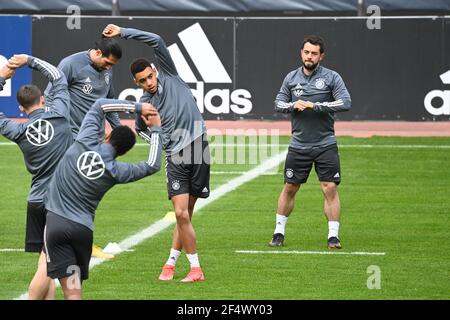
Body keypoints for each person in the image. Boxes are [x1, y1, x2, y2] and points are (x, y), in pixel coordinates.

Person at [102, 24, 210, 282]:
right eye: (142, 81)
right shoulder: (145, 105)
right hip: (175, 155)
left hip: (198, 146)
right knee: (181, 213)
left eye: (150, 76)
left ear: (155, 71)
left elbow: (157, 38)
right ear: (136, 82)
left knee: (187, 214)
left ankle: (170, 263)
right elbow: (140, 130)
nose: (149, 83)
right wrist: (157, 140)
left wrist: (123, 32)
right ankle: (196, 269)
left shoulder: (171, 75)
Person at [43, 98, 162, 300]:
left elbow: (99, 105)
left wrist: (137, 107)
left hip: (56, 226)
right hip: (82, 233)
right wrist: (157, 130)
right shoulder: (117, 171)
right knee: (74, 292)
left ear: (107, 135)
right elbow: (152, 165)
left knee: (60, 285)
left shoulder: (85, 140)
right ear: (123, 153)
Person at [0, 54, 73, 299]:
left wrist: (1, 77)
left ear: (21, 107)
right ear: (43, 100)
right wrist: (29, 60)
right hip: (61, 202)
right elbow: (58, 76)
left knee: (46, 260)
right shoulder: (61, 114)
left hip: (36, 201)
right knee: (48, 264)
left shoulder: (17, 131)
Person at [269, 35, 351, 249]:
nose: (309, 56)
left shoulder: (332, 77)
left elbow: (346, 102)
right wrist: (293, 105)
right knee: (290, 187)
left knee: (329, 188)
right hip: (298, 145)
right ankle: (278, 232)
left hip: (325, 144)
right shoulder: (291, 78)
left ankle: (333, 236)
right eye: (306, 52)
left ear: (321, 56)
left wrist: (317, 106)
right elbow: (278, 103)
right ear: (301, 53)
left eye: (314, 53)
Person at [44, 36, 123, 259]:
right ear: (97, 53)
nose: (109, 68)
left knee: (87, 191)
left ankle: (80, 241)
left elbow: (109, 101)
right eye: (107, 63)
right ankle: (60, 240)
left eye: (112, 66)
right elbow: (51, 95)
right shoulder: (70, 64)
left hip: (94, 141)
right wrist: (57, 128)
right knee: (71, 191)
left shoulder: (107, 70)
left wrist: (118, 129)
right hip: (71, 139)